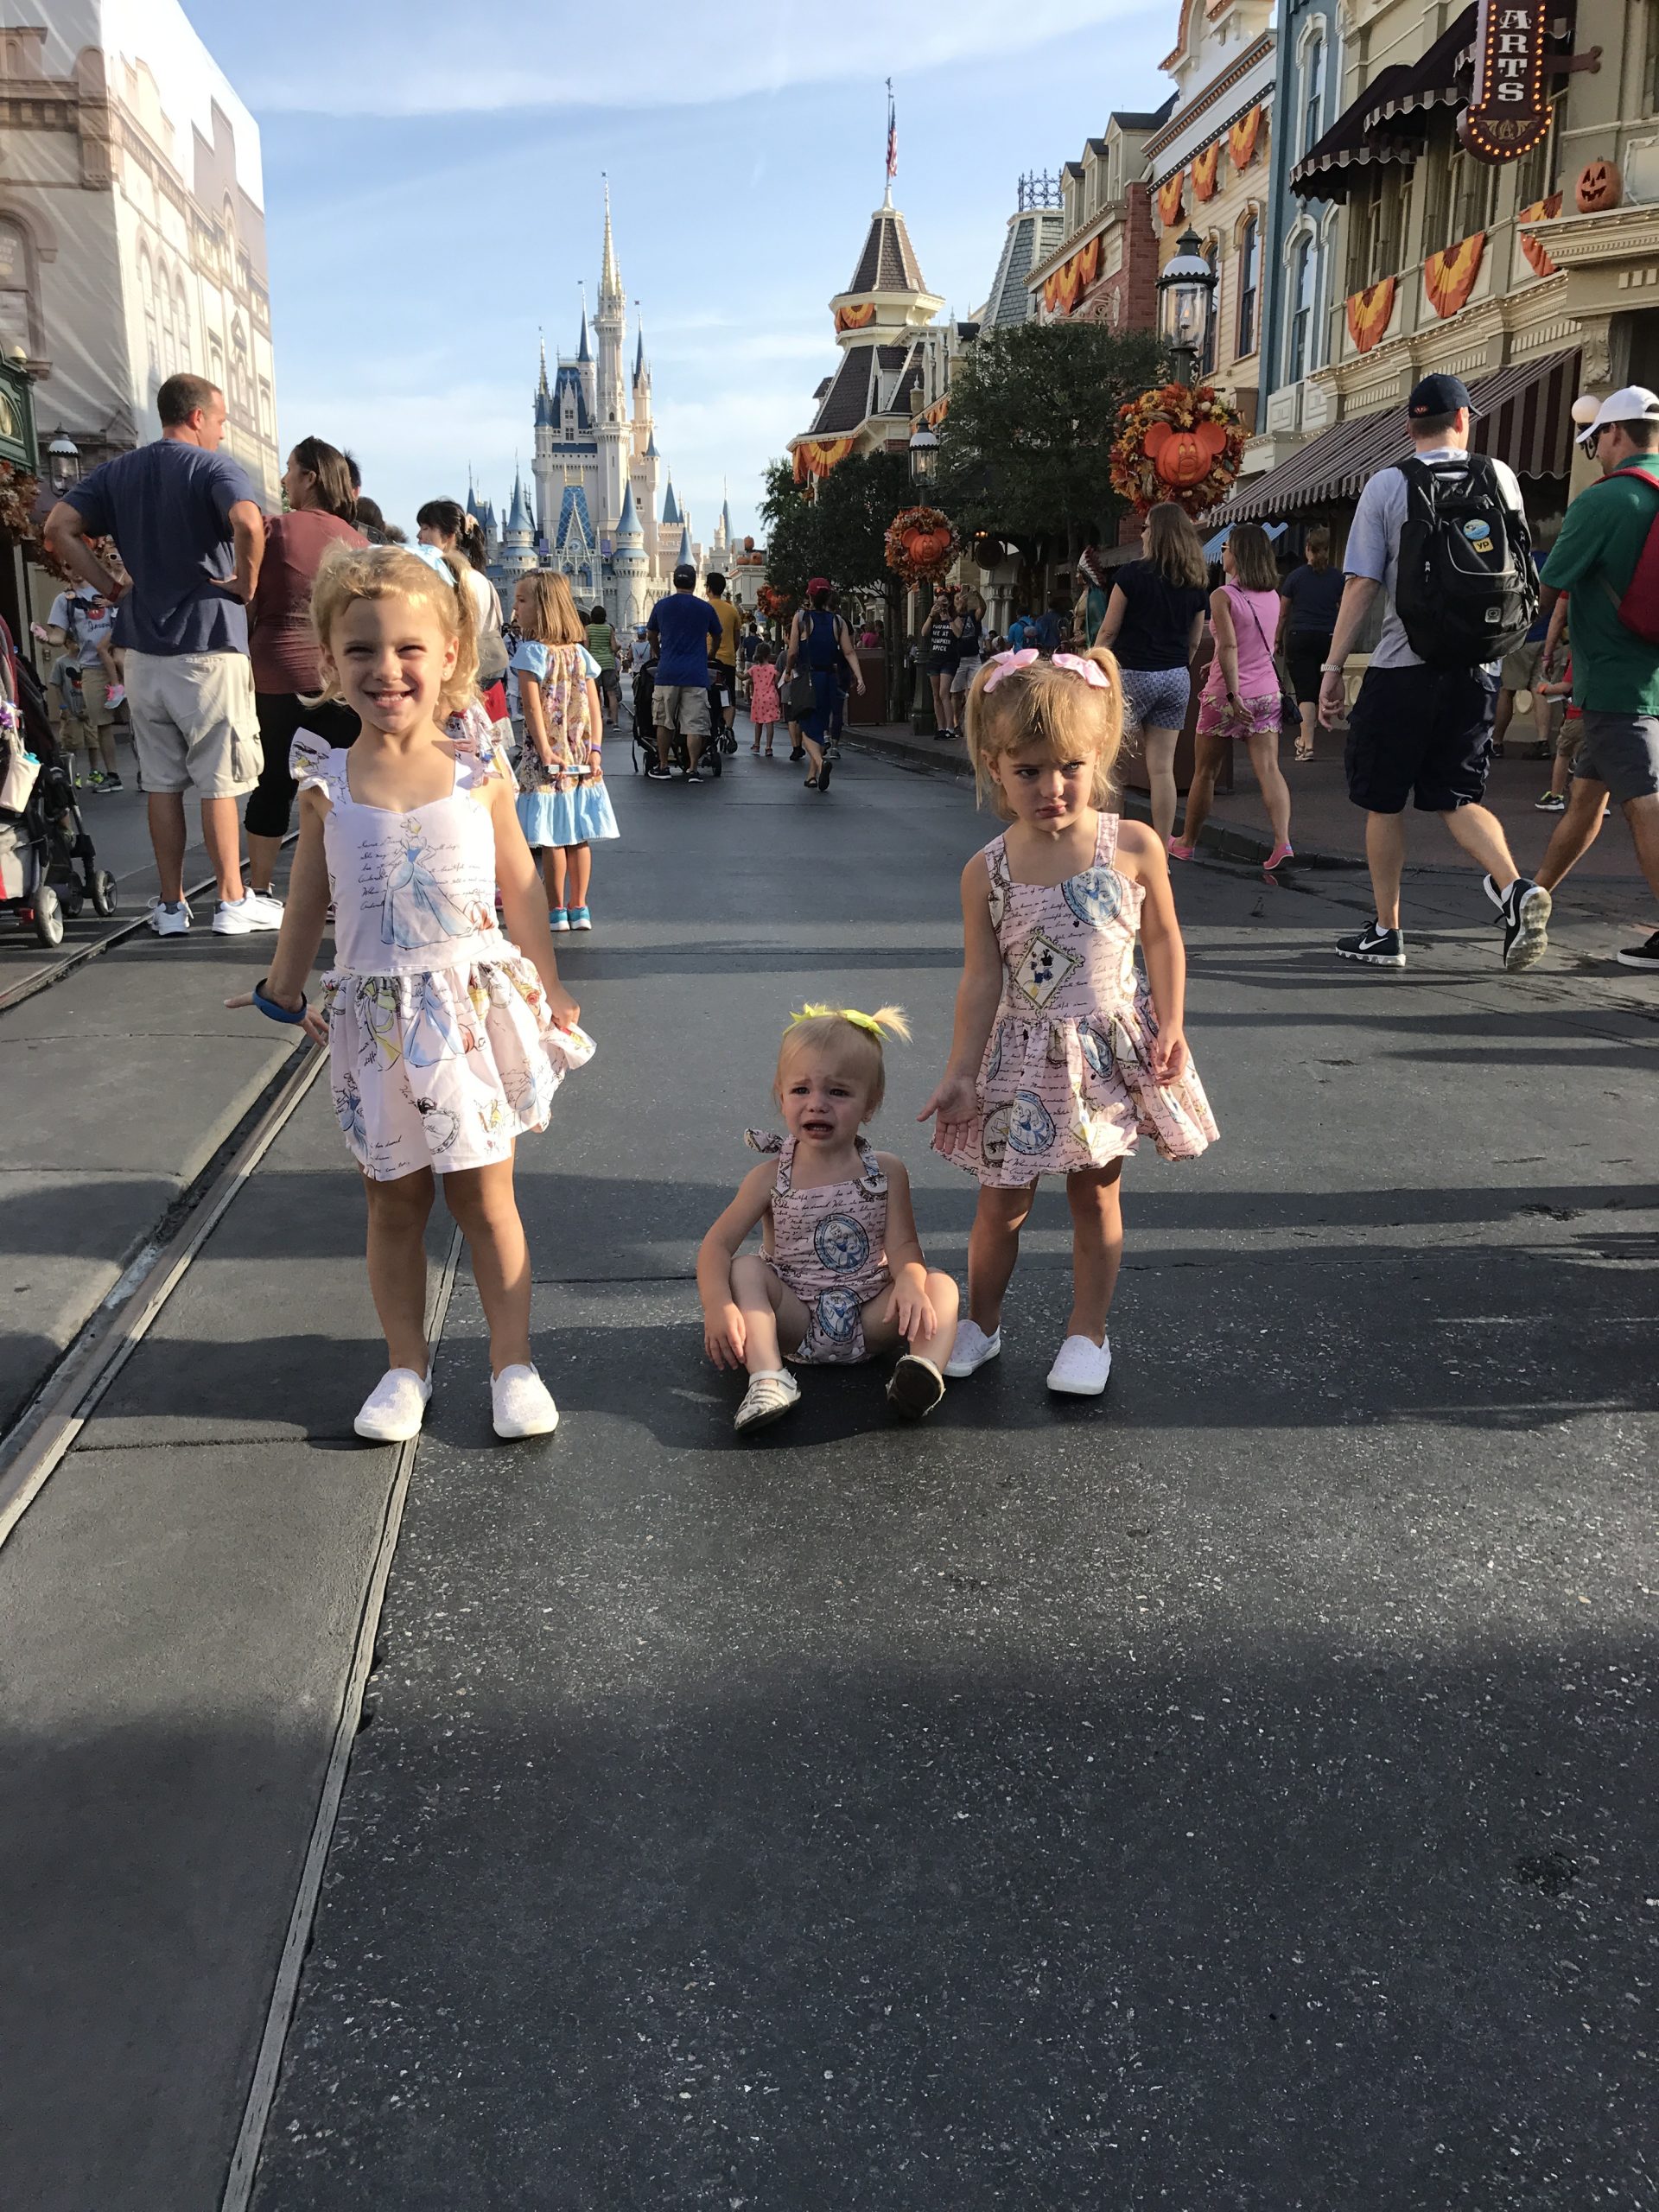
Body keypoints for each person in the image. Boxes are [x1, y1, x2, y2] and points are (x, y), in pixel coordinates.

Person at [227, 542, 590, 1442]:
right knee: (394, 1201)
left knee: (484, 1198)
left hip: (469, 1016)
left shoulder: (481, 773)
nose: (386, 669)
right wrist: (279, 989)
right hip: (377, 1021)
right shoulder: (326, 787)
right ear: (329, 663)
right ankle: (404, 1364)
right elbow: (307, 906)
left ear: (450, 657)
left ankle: (513, 1361)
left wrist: (551, 989)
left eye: (407, 649)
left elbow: (525, 892)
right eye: (362, 651)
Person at [920, 647, 1217, 1397]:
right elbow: (981, 976)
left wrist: (1174, 1022)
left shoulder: (1135, 845)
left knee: (1097, 1195)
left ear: (1100, 755)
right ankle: (981, 1324)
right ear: (995, 766)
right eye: (1028, 771)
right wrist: (960, 1071)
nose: (1052, 787)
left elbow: (1162, 938)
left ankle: (1089, 1332)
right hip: (1019, 1057)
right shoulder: (986, 870)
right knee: (1002, 1203)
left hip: (1108, 1052)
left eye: (1070, 767)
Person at [1317, 372, 1549, 971]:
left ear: (1408, 428)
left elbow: (1363, 583)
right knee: (1458, 796)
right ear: (1465, 421)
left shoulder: (1387, 485)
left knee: (1384, 800)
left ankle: (1388, 930)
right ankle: (1516, 888)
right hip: (1478, 666)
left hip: (1404, 667)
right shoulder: (1499, 477)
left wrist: (1333, 666)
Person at [44, 372, 275, 940]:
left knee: (163, 782)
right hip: (208, 642)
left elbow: (58, 527)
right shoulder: (212, 467)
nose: (222, 432)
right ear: (198, 416)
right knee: (219, 779)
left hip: (144, 646)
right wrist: (246, 585)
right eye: (220, 421)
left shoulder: (120, 471)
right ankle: (231, 899)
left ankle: (170, 905)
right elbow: (247, 522)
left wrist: (110, 587)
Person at [698, 1005, 960, 1433]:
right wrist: (718, 1306)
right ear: (780, 1096)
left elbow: (903, 1246)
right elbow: (717, 1246)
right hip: (795, 1320)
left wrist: (910, 1281)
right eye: (801, 1090)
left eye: (838, 1093)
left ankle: (921, 1373)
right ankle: (768, 1377)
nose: (817, 1104)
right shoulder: (769, 1178)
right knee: (746, 1268)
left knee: (940, 1285)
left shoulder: (886, 1171)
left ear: (869, 1104)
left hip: (870, 1318)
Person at [1526, 385, 1659, 969]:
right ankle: (1533, 897)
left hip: (1614, 682)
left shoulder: (1605, 501)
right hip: (1647, 676)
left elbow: (1547, 587)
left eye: (1596, 440)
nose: (1596, 452)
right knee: (1585, 799)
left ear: (1614, 434)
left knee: (1645, 805)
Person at [245, 436, 365, 903]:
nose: (283, 478)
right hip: (335, 681)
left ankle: (257, 891)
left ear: (310, 477)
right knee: (338, 784)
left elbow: (249, 601)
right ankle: (340, 889)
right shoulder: (357, 544)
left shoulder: (273, 530)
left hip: (275, 672)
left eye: (290, 469)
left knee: (273, 780)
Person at [1092, 502, 1210, 850]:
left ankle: (1109, 848)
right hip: (1174, 676)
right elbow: (1194, 641)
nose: (1142, 533)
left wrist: (1091, 663)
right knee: (1162, 769)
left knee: (1113, 766)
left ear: (1155, 533)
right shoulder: (1196, 583)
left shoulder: (1131, 575)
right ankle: (1160, 848)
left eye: (1145, 527)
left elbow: (1108, 632)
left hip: (1131, 674)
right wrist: (1176, 666)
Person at [1180, 523, 1294, 873]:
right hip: (1265, 694)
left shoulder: (1222, 596)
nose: (1223, 552)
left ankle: (1187, 843)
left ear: (1239, 554)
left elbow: (1229, 645)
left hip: (1225, 696)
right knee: (1269, 769)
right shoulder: (1273, 596)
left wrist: (1231, 692)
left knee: (1205, 773)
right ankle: (1282, 842)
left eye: (1227, 547)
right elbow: (1255, 645)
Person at [510, 569, 616, 931]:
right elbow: (594, 707)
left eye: (522, 600)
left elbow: (532, 709)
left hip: (548, 762)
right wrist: (596, 750)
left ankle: (556, 911)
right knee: (578, 836)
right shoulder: (580, 656)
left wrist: (544, 750)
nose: (516, 606)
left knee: (553, 837)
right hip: (581, 761)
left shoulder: (530, 654)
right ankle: (580, 907)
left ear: (542, 609)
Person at [782, 578, 864, 791]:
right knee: (819, 725)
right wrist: (860, 677)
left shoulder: (801, 618)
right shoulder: (838, 622)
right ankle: (812, 776)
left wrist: (789, 671)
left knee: (807, 729)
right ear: (828, 597)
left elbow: (792, 652)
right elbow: (849, 652)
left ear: (809, 596)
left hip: (808, 679)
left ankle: (820, 763)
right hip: (830, 679)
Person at [43, 577, 123, 790]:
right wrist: (45, 638)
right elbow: (58, 636)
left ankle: (147, 773)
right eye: (68, 565)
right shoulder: (65, 600)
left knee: (141, 721)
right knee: (102, 724)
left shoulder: (110, 587)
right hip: (92, 667)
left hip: (124, 658)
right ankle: (113, 775)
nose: (75, 569)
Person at [416, 499, 507, 683]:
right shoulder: (482, 581)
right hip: (487, 675)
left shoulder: (444, 579)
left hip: (457, 678)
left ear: (449, 536)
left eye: (426, 528)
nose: (419, 536)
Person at [647, 562, 722, 781]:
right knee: (694, 724)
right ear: (695, 582)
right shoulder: (705, 608)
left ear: (674, 581)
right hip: (696, 674)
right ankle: (692, 768)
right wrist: (711, 653)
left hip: (668, 671)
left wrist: (657, 652)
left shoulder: (662, 606)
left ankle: (663, 766)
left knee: (664, 720)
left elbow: (651, 633)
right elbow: (717, 634)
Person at [1276, 525, 1344, 762]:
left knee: (1306, 692)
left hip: (1300, 636)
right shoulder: (1338, 578)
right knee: (1332, 673)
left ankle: (1307, 744)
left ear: (1307, 549)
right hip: (1328, 637)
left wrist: (1277, 639)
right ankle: (1340, 709)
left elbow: (1283, 613)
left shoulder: (1295, 577)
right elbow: (1345, 611)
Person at [1491, 550, 1551, 760]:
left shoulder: (1514, 561)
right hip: (1546, 636)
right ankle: (1543, 741)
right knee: (1540, 689)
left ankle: (1496, 742)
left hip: (1518, 637)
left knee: (1506, 689)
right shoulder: (1549, 560)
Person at [704, 571, 742, 746]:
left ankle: (707, 729)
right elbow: (736, 640)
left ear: (708, 589)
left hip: (706, 661)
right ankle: (728, 728)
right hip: (727, 661)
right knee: (728, 697)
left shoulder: (703, 608)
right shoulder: (732, 610)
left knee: (706, 696)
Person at [924, 585, 957, 740]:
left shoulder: (955, 618)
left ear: (949, 603)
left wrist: (948, 617)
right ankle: (941, 727)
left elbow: (958, 633)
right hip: (934, 658)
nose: (940, 605)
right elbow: (924, 633)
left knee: (944, 692)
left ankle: (951, 727)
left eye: (943, 602)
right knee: (936, 694)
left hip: (948, 660)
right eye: (937, 602)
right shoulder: (934, 618)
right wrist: (931, 615)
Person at [950, 589, 985, 724]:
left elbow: (982, 609)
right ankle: (955, 721)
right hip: (958, 659)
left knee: (973, 691)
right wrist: (957, 608)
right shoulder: (951, 617)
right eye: (957, 598)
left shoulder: (972, 615)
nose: (961, 600)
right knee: (956, 693)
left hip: (973, 657)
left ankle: (970, 720)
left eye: (962, 597)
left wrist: (977, 595)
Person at [747, 640, 781, 756]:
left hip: (758, 699)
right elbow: (777, 682)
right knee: (769, 723)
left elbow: (743, 678)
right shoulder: (773, 668)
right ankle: (768, 747)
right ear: (769, 654)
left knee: (758, 723)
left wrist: (734, 671)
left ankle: (757, 745)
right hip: (770, 697)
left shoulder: (754, 669)